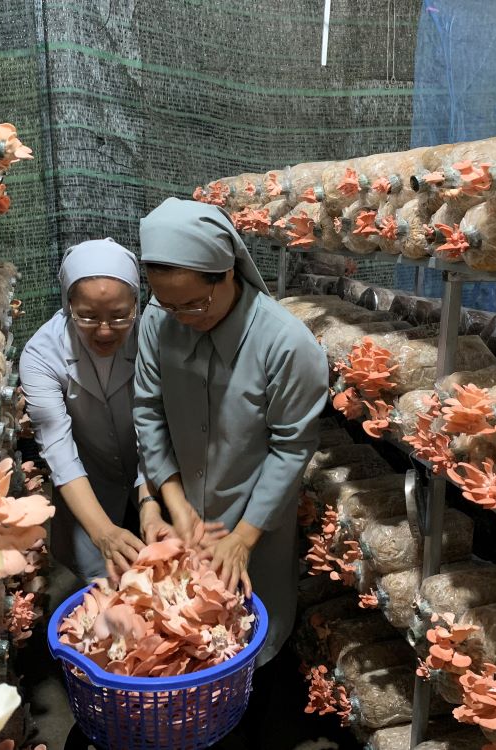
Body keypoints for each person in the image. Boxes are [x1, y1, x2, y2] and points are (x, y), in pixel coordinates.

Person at [133, 197, 329, 666]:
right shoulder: (159, 321)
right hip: (178, 522)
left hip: (251, 525)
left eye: (195, 303)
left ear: (228, 273)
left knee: (248, 641)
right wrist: (174, 503)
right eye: (168, 304)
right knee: (177, 646)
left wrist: (242, 538)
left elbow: (291, 447)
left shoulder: (286, 344)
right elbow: (148, 411)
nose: (182, 317)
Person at [19, 238, 173, 582]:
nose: (104, 331)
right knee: (101, 593)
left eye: (120, 316)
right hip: (89, 487)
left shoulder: (156, 335)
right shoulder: (42, 354)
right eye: (87, 317)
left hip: (158, 480)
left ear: (137, 302)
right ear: (67, 305)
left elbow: (159, 426)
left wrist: (149, 501)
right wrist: (102, 531)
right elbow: (57, 447)